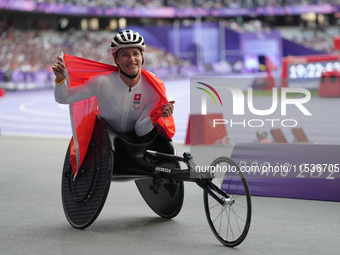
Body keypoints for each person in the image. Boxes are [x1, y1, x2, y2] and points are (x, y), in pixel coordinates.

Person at [52, 30, 176, 172]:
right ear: (115, 59)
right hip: (105, 139)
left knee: (162, 141)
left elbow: (141, 131)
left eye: (136, 54)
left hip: (135, 143)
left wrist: (156, 114)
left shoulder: (154, 87)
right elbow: (64, 98)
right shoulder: (102, 82)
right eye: (125, 55)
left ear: (142, 57)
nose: (131, 59)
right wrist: (60, 80)